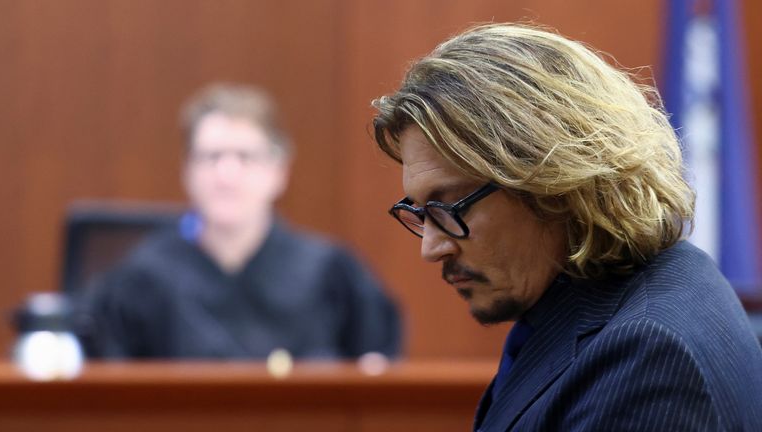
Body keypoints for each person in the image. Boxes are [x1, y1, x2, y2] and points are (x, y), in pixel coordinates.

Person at [372, 23, 762, 431]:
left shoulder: (649, 356)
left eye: (450, 205)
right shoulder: (600, 305)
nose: (432, 247)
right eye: (419, 212)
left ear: (552, 180)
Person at [79, 83, 401, 360]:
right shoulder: (143, 278)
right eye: (211, 157)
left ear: (279, 171)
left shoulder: (331, 273)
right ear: (187, 170)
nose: (227, 175)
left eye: (245, 157)